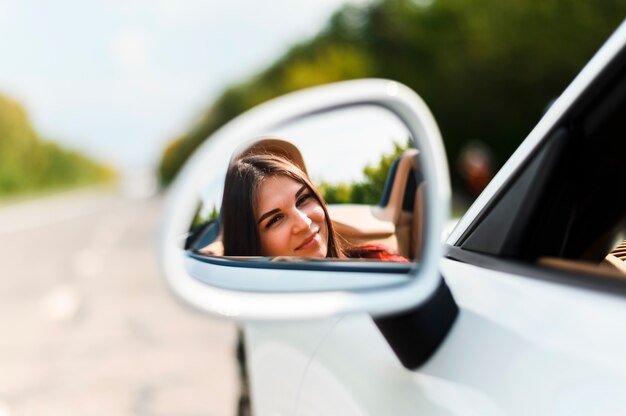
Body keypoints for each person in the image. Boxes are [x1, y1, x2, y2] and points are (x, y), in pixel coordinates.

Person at [220, 143, 407, 262]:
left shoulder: (379, 259)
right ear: (252, 247)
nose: (304, 223)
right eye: (276, 219)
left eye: (302, 199)